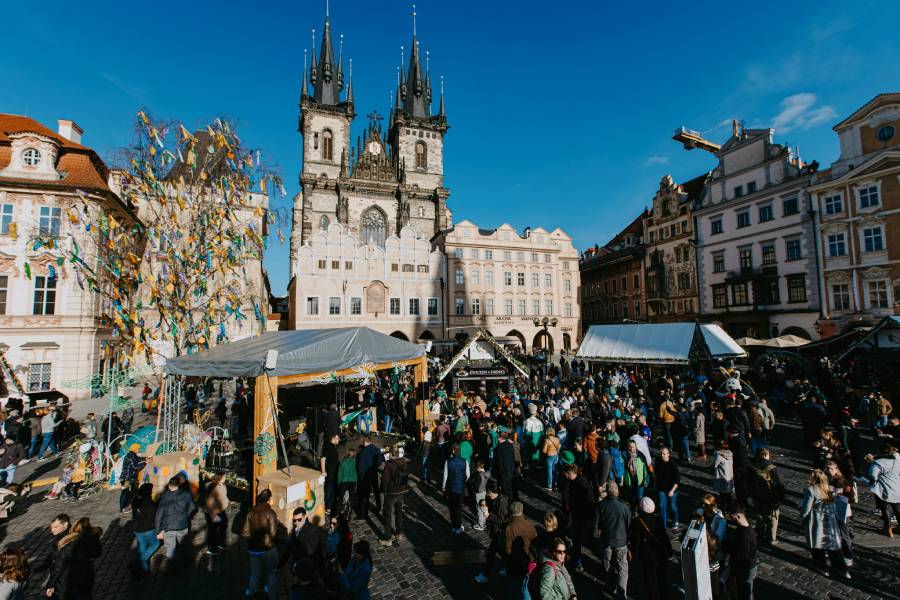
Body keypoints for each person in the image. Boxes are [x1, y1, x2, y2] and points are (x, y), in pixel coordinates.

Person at [800, 469, 846, 578]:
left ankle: (822, 566)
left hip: (817, 520)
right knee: (833, 546)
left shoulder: (811, 490)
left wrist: (802, 518)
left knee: (817, 545)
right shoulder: (829, 489)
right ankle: (841, 568)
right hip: (830, 519)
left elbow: (806, 509)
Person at [45, 517, 103, 600]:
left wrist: (50, 585)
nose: (52, 530)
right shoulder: (90, 539)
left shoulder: (69, 545)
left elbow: (59, 567)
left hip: (72, 582)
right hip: (86, 577)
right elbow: (97, 553)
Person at [241, 489, 282, 599]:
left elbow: (245, 533)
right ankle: (271, 596)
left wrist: (254, 538)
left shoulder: (250, 512)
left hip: (253, 550)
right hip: (268, 549)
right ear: (269, 500)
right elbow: (273, 534)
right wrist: (277, 524)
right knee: (272, 574)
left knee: (254, 574)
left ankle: (252, 596)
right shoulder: (270, 513)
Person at [629, 497, 671, 600]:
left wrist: (632, 549)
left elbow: (636, 541)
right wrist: (669, 551)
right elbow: (664, 536)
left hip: (647, 556)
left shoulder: (638, 522)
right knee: (662, 578)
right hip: (660, 554)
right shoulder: (658, 519)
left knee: (650, 579)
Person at [597, 482, 630, 600]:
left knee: (608, 565)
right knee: (622, 569)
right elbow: (628, 526)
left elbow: (597, 525)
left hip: (607, 541)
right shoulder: (624, 507)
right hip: (621, 542)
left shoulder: (601, 506)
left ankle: (611, 586)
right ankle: (622, 595)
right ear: (617, 492)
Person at [154, 476, 196, 573]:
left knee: (170, 548)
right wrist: (186, 515)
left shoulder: (164, 498)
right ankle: (188, 561)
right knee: (185, 544)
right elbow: (192, 507)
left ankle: (172, 568)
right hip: (182, 525)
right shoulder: (186, 495)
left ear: (169, 485)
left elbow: (158, 516)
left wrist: (158, 531)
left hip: (168, 527)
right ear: (178, 484)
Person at [747, 448, 785, 545]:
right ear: (765, 455)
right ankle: (772, 539)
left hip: (756, 497)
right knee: (772, 519)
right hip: (770, 498)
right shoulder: (772, 468)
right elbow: (780, 485)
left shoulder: (751, 466)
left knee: (759, 516)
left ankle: (760, 533)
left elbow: (747, 481)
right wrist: (779, 499)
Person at [474, 480, 509, 585]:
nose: (488, 496)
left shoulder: (501, 502)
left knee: (491, 554)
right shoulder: (495, 499)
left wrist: (488, 515)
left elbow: (502, 520)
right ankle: (508, 568)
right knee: (502, 552)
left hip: (499, 531)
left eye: (489, 493)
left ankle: (485, 575)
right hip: (495, 531)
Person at [562, 465, 595, 572]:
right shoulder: (574, 482)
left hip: (582, 517)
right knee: (576, 540)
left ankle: (603, 559)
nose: (565, 477)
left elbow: (590, 501)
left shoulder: (582, 483)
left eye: (566, 475)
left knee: (587, 541)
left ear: (570, 473)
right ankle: (577, 562)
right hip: (577, 516)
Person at [865, 442, 900, 538]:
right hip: (897, 487)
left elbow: (872, 475)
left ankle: (888, 528)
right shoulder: (897, 459)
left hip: (884, 489)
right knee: (897, 508)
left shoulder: (877, 463)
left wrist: (872, 461)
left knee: (884, 508)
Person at [504, 501, 537, 600]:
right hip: (527, 562)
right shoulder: (530, 526)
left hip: (514, 564)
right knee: (526, 587)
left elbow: (507, 549)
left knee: (512, 588)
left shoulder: (509, 528)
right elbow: (535, 545)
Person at [722, 510, 758, 600]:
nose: (730, 518)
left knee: (745, 594)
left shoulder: (745, 536)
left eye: (732, 516)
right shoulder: (742, 528)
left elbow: (741, 557)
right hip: (744, 568)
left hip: (744, 570)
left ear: (738, 517)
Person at [380, 451, 410, 546]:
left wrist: (384, 491)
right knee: (399, 512)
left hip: (391, 493)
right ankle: (399, 533)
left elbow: (385, 480)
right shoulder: (404, 462)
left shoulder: (389, 465)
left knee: (387, 515)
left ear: (391, 455)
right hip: (401, 491)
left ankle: (388, 538)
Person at [282, 507, 325, 573]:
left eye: (299, 519)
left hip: (309, 568)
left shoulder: (312, 530)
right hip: (298, 566)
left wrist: (299, 535)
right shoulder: (296, 530)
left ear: (305, 517)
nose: (296, 523)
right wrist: (279, 566)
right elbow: (290, 548)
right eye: (294, 520)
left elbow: (310, 551)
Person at [131, 483, 159, 577]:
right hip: (147, 528)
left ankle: (145, 570)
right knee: (155, 544)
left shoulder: (136, 500)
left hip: (137, 528)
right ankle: (140, 561)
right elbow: (152, 516)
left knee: (142, 547)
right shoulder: (148, 503)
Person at [443, 443, 470, 534]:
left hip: (451, 488)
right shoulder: (464, 461)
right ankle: (458, 526)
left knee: (452, 508)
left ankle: (454, 525)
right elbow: (468, 475)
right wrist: (463, 480)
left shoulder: (448, 461)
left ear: (453, 451)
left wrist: (443, 487)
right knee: (458, 508)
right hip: (461, 488)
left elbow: (445, 476)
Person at [355, 436, 384, 521]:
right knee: (376, 490)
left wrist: (360, 476)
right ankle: (379, 506)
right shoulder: (377, 449)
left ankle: (363, 514)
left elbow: (360, 466)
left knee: (365, 495)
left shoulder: (363, 452)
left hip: (365, 475)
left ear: (365, 442)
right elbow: (379, 462)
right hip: (373, 472)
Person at [654, 446, 681, 530]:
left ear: (668, 454)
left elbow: (677, 480)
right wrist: (656, 483)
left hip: (672, 489)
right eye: (661, 453)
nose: (662, 455)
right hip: (661, 489)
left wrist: (672, 491)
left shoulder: (673, 465)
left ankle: (675, 521)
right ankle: (663, 525)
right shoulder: (658, 461)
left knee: (672, 506)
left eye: (664, 454)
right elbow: (656, 474)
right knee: (662, 506)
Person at [205, 473, 229, 555]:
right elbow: (208, 504)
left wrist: (227, 501)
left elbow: (223, 496)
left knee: (223, 527)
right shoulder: (214, 489)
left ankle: (220, 543)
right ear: (219, 479)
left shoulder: (223, 486)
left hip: (221, 511)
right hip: (214, 513)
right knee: (213, 531)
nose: (225, 478)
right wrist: (213, 515)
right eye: (224, 477)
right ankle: (212, 548)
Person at [119, 444, 146, 513]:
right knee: (125, 493)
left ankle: (127, 506)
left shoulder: (132, 455)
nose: (139, 450)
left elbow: (139, 459)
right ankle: (123, 508)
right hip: (127, 478)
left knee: (133, 492)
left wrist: (145, 458)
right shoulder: (131, 456)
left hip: (130, 478)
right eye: (138, 449)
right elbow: (135, 467)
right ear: (135, 449)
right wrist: (145, 463)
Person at [622, 440, 649, 509]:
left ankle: (636, 510)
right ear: (628, 447)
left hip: (640, 480)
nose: (632, 449)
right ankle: (631, 509)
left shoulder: (640, 455)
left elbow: (645, 468)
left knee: (638, 497)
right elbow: (622, 468)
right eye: (630, 447)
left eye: (633, 447)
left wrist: (646, 479)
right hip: (629, 480)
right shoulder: (624, 455)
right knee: (630, 497)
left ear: (636, 447)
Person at [321, 433, 340, 512]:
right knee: (329, 490)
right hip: (330, 473)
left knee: (332, 490)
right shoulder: (329, 447)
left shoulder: (332, 446)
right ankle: (326, 507)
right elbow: (323, 459)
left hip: (333, 473)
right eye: (338, 438)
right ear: (334, 438)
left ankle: (329, 507)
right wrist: (323, 471)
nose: (339, 440)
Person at [470, 459, 490, 531]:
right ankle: (484, 522)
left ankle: (480, 524)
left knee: (479, 508)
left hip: (478, 493)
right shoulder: (487, 473)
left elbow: (476, 485)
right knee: (484, 507)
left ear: (478, 467)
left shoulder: (479, 475)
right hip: (484, 491)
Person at [337, 449, 358, 517]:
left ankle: (341, 510)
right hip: (352, 481)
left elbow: (339, 473)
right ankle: (350, 511)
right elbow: (356, 472)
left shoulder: (342, 462)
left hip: (343, 481)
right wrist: (356, 482)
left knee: (341, 497)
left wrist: (339, 482)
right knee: (351, 497)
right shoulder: (355, 462)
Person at [542, 426, 562, 492]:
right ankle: (555, 484)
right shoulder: (557, 439)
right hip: (556, 455)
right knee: (555, 470)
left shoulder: (547, 441)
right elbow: (559, 447)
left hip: (549, 457)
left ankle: (549, 486)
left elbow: (544, 451)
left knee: (549, 471)